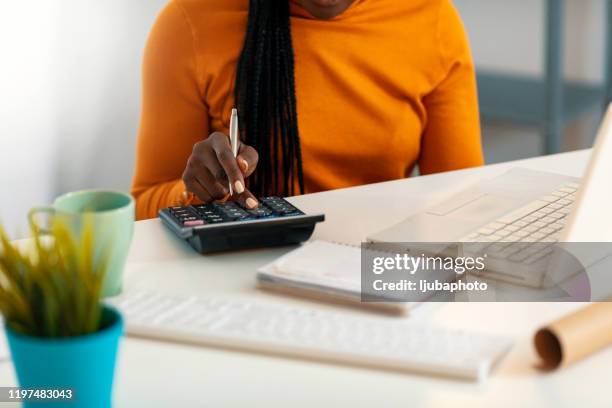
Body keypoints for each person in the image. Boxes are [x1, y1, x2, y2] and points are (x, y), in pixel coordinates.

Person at [131, 0, 483, 220]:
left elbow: (463, 203)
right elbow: (141, 209)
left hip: (374, 269)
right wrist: (198, 190)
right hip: (240, 269)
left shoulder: (432, 19)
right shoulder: (191, 22)